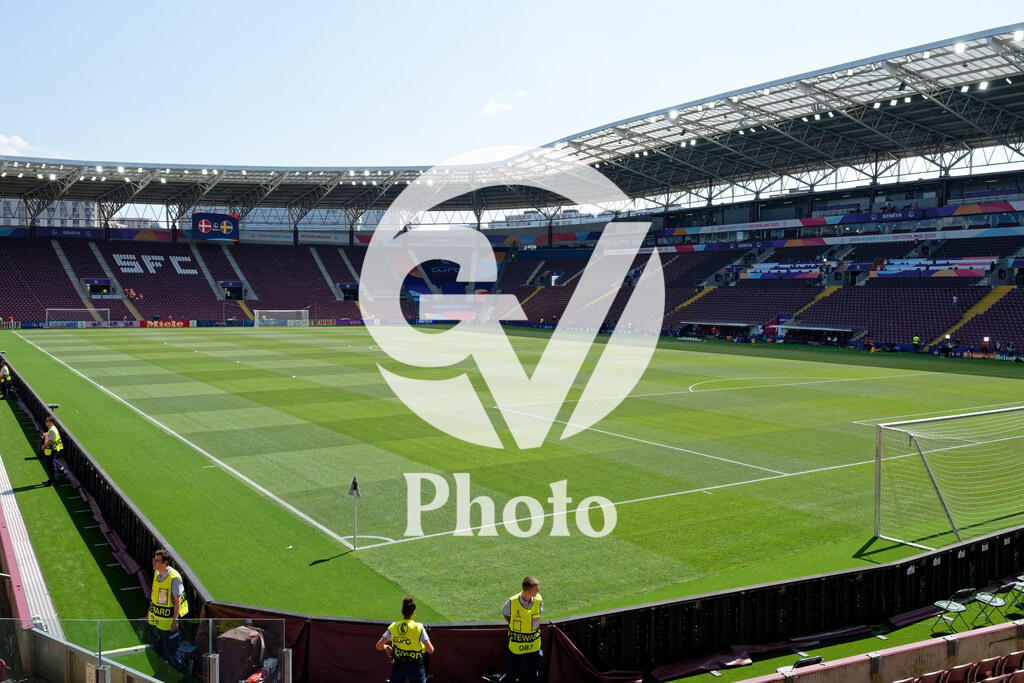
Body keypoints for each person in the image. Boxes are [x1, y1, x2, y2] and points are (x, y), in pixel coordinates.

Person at [376, 597, 434, 683]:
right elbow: (431, 650)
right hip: (415, 667)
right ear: (414, 613)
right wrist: (421, 650)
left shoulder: (393, 626)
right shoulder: (419, 627)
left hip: (398, 666)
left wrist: (387, 647)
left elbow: (378, 646)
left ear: (402, 612)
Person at [149, 548, 189, 671]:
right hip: (155, 618)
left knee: (171, 649)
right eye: (154, 560)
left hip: (168, 622)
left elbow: (177, 600)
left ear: (165, 563)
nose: (153, 563)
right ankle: (163, 667)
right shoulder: (157, 574)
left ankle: (178, 670)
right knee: (157, 646)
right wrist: (149, 613)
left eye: (157, 561)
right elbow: (154, 595)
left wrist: (175, 620)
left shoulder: (174, 578)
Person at [503, 577, 544, 683]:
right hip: (517, 648)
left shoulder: (538, 600)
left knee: (534, 675)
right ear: (529, 591)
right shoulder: (512, 602)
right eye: (536, 589)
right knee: (512, 674)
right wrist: (511, 622)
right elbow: (504, 612)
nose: (538, 591)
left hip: (533, 646)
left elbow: (539, 614)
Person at [40, 415, 62, 486]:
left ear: (51, 422)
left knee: (51, 464)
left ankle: (52, 480)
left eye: (47, 421)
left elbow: (50, 440)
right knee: (50, 463)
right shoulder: (52, 429)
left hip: (52, 449)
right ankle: (51, 479)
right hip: (53, 448)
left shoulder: (52, 430)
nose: (45, 422)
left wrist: (43, 446)